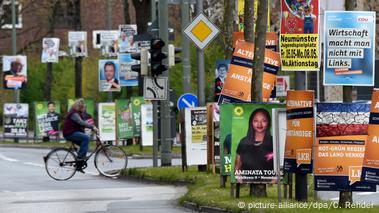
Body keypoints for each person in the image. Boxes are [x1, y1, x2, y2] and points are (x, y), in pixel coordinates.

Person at [234, 108, 274, 182]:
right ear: (251, 123)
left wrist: (273, 181)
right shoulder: (244, 142)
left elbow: (280, 169)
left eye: (264, 121)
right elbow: (237, 168)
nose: (259, 124)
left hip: (269, 182)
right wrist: (240, 180)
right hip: (246, 181)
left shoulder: (274, 142)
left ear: (268, 122)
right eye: (256, 121)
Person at [63, 99, 98, 172]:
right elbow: (81, 122)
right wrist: (92, 127)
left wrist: (91, 128)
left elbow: (82, 123)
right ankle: (79, 160)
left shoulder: (77, 113)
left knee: (85, 146)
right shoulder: (74, 114)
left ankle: (79, 165)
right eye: (83, 107)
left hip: (72, 132)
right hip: (69, 133)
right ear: (79, 107)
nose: (84, 109)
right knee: (86, 138)